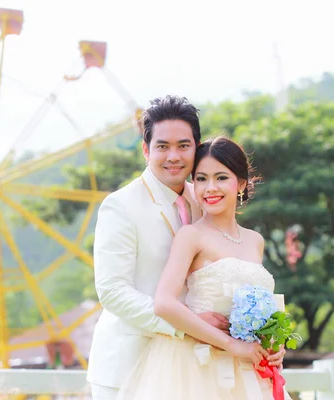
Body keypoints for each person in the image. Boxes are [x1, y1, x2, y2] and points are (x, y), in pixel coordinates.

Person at [115, 136, 290, 399]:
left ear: (241, 183)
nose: (210, 188)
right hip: (198, 366)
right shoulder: (191, 235)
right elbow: (164, 303)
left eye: (221, 178)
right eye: (200, 179)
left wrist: (274, 345)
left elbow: (260, 305)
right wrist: (231, 344)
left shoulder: (256, 240)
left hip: (249, 370)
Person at [86, 95, 230, 399]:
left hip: (192, 369)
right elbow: (113, 291)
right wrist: (187, 324)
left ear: (197, 148)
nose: (173, 156)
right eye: (162, 146)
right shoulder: (120, 206)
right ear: (145, 149)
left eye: (183, 145)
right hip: (127, 368)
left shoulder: (205, 200)